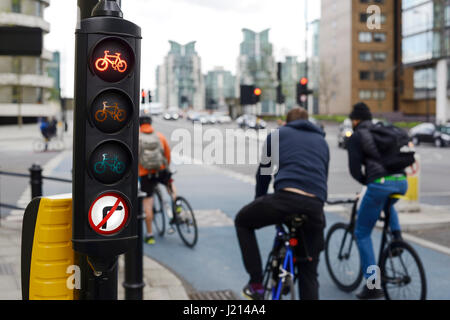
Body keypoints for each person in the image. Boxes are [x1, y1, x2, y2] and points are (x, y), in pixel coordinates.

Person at [234, 107, 330, 300]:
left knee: (242, 221)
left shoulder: (278, 134)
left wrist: (259, 199)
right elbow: (321, 178)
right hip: (314, 207)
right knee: (309, 272)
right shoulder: (322, 142)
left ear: (287, 122)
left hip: (285, 200)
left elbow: (264, 172)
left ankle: (256, 284)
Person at [346, 102, 408, 300]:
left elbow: (355, 170)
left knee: (362, 233)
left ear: (355, 120)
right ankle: (397, 239)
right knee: (386, 202)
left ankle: (372, 285)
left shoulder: (357, 136)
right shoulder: (381, 130)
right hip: (401, 181)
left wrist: (367, 182)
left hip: (380, 184)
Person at [139, 114, 177, 245]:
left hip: (145, 174)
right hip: (161, 170)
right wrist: (165, 169)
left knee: (147, 205)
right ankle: (176, 204)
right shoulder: (159, 136)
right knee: (170, 184)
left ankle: (150, 235)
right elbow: (167, 155)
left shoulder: (137, 138)